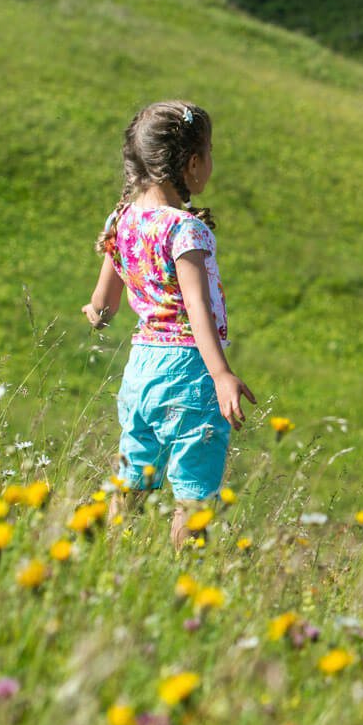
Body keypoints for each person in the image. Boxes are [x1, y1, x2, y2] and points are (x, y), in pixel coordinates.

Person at [81, 100, 255, 547]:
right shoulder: (185, 230)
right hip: (189, 374)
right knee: (194, 497)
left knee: (134, 477)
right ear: (193, 164)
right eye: (210, 152)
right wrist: (221, 375)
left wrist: (96, 314)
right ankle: (188, 577)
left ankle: (109, 553)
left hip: (140, 372)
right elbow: (197, 307)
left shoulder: (122, 219)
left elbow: (104, 303)